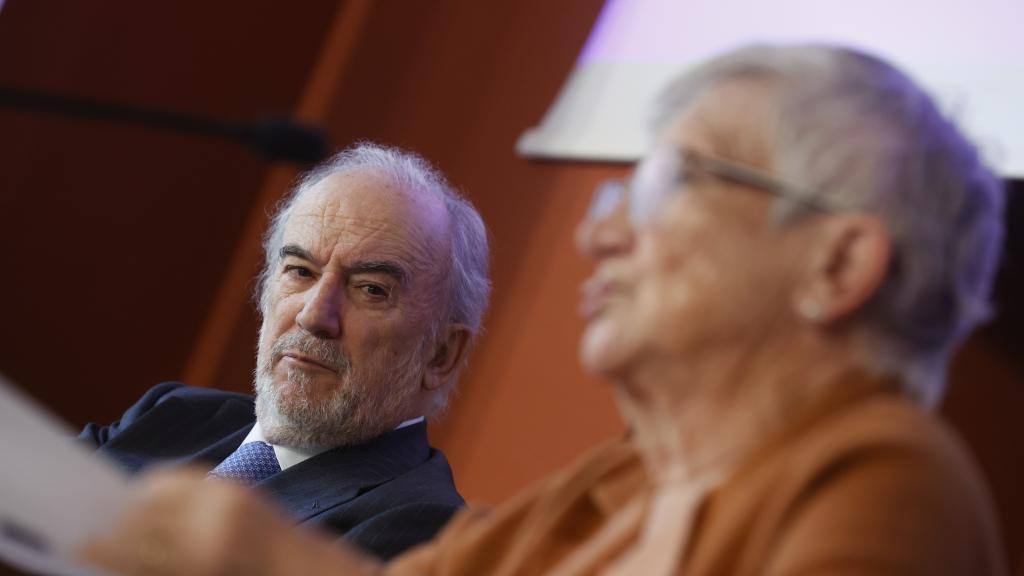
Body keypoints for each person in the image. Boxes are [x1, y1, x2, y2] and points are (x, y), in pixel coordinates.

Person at [81, 43, 1008, 575]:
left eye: (668, 190)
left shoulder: (886, 480)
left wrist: (267, 561)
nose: (598, 237)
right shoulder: (609, 489)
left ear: (837, 261)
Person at [78, 142, 492, 560]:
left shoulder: (425, 533)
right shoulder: (173, 412)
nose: (314, 315)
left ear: (441, 353)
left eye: (370, 289)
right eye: (300, 271)